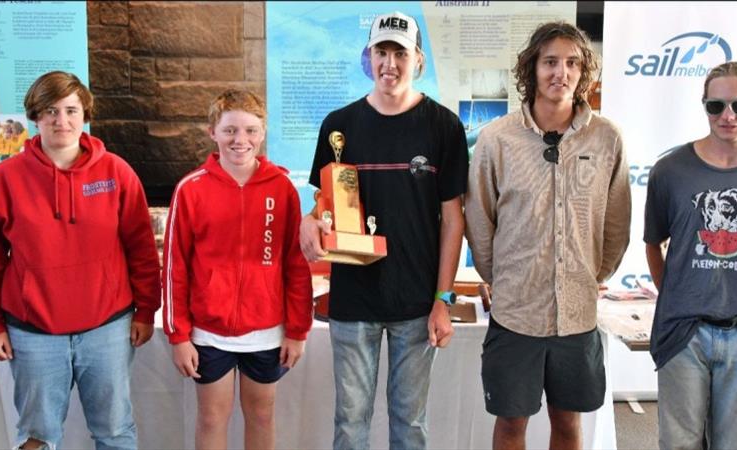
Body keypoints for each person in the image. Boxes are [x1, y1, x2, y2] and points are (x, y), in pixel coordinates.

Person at [299, 11, 468, 449]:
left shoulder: (444, 126)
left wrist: (442, 300)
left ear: (418, 61)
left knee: (409, 424)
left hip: (415, 302)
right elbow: (324, 207)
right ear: (367, 57)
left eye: (400, 53)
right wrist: (308, 222)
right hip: (353, 299)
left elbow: (454, 220)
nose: (389, 63)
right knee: (350, 421)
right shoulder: (339, 125)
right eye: (381, 52)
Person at [465, 21, 631, 450]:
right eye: (550, 62)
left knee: (568, 421)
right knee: (510, 424)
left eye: (572, 63)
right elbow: (479, 219)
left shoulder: (606, 137)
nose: (561, 72)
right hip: (515, 313)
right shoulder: (497, 139)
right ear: (532, 69)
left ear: (583, 72)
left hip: (577, 313)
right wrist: (501, 278)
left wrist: (592, 273)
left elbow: (616, 221)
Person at [0, 71, 161, 450]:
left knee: (114, 432)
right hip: (33, 333)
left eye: (70, 110)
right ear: (35, 116)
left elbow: (141, 250)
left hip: (108, 329)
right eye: (50, 111)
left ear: (85, 114)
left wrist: (147, 310)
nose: (61, 121)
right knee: (37, 436)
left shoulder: (117, 172)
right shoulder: (3, 180)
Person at [644, 61, 737, 450]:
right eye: (716, 106)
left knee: (734, 445)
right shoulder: (669, 171)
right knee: (679, 443)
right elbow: (652, 245)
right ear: (704, 105)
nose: (728, 116)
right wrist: (677, 292)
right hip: (683, 333)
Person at [162, 89, 313, 450]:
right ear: (212, 132)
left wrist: (297, 330)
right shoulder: (191, 189)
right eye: (230, 130)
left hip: (266, 330)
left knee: (262, 415)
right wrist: (179, 335)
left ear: (262, 134)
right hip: (209, 331)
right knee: (212, 417)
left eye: (250, 130)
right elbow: (174, 266)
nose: (240, 140)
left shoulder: (282, 189)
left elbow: (295, 263)